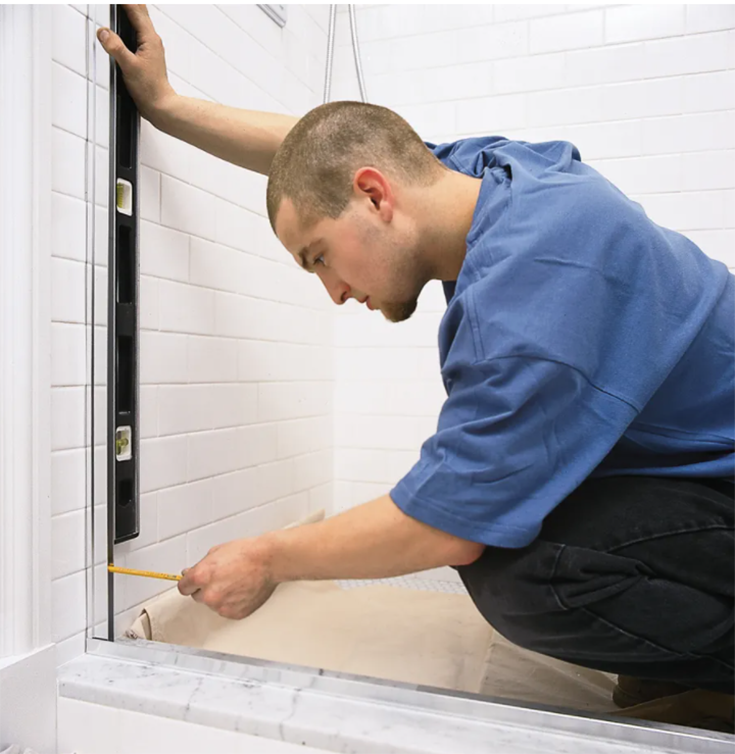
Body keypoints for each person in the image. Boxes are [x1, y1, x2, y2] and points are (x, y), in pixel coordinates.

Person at [98, 6, 735, 716]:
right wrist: (166, 107)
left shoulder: (533, 287)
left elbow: (449, 524)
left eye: (318, 259)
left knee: (517, 571)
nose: (334, 292)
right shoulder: (488, 178)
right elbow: (316, 152)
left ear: (376, 196)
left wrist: (269, 555)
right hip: (703, 475)